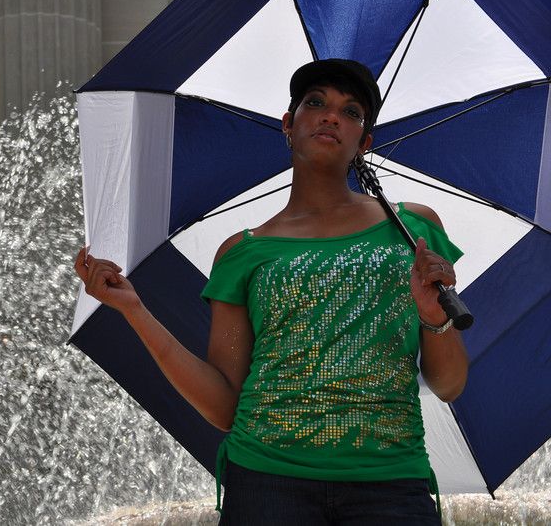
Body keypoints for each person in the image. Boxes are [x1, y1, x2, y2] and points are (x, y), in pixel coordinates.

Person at [74, 59, 468, 525]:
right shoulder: (242, 252)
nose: (330, 116)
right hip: (265, 485)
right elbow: (224, 406)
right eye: (315, 102)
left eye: (351, 112)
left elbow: (448, 385)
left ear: (363, 143)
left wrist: (434, 317)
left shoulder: (413, 232)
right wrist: (135, 310)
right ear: (288, 124)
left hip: (390, 483)